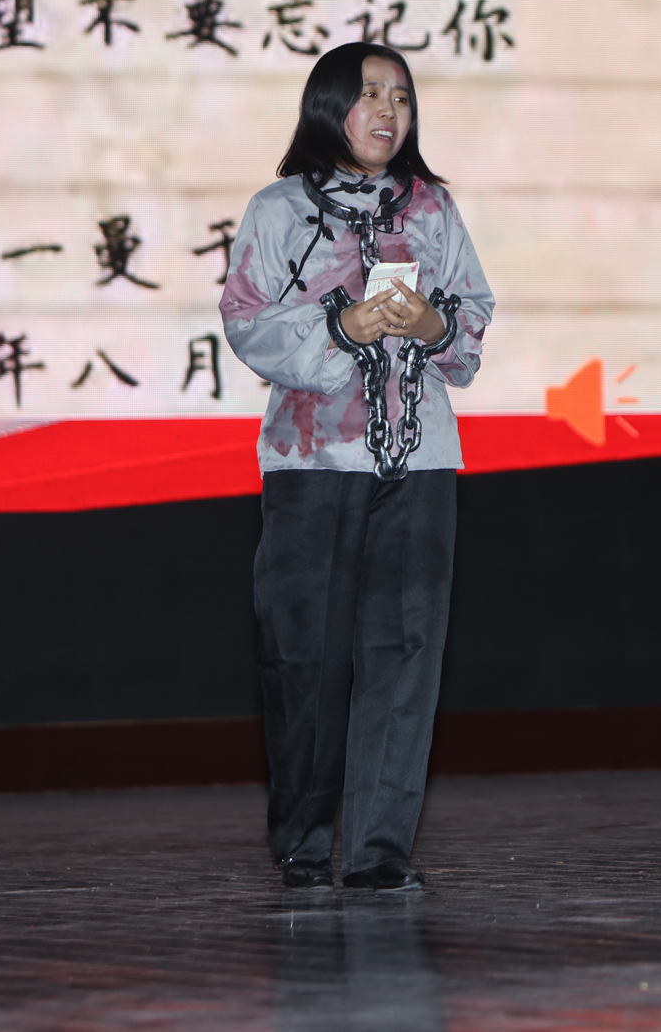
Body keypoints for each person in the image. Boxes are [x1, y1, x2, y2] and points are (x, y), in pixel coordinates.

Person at [220, 43, 495, 891]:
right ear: (328, 105)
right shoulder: (278, 208)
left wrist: (432, 325)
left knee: (406, 652)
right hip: (312, 459)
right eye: (370, 93)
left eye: (401, 97)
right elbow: (245, 321)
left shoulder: (434, 207)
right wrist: (343, 328)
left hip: (421, 459)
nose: (388, 110)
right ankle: (303, 843)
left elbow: (473, 313)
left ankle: (379, 852)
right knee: (303, 654)